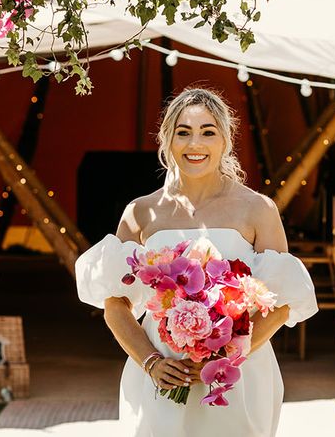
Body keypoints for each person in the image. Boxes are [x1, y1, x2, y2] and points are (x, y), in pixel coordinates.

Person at [76, 87, 318, 436]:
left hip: (236, 377)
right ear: (167, 140)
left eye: (208, 132)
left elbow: (279, 305)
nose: (195, 145)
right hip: (163, 372)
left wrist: (227, 357)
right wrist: (151, 362)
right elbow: (115, 304)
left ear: (225, 139)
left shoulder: (258, 209)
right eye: (183, 133)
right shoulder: (141, 213)